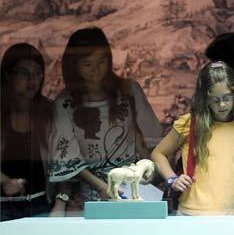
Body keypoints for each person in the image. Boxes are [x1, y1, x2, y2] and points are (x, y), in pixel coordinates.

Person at [48, 27, 162, 213]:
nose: (96, 70)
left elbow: (154, 141)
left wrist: (150, 171)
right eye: (87, 64)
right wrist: (103, 187)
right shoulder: (65, 103)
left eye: (102, 61)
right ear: (73, 65)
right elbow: (69, 158)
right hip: (91, 195)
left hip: (134, 188)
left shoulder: (129, 91)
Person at [151, 61, 234, 215]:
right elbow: (158, 154)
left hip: (233, 213)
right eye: (215, 100)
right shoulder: (189, 123)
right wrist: (172, 179)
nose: (222, 104)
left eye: (227, 98)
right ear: (205, 98)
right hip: (193, 213)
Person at [1, 43, 53, 221]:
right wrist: (4, 180)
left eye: (38, 73)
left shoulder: (50, 111)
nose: (32, 79)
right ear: (8, 75)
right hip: (3, 207)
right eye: (24, 73)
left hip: (41, 205)